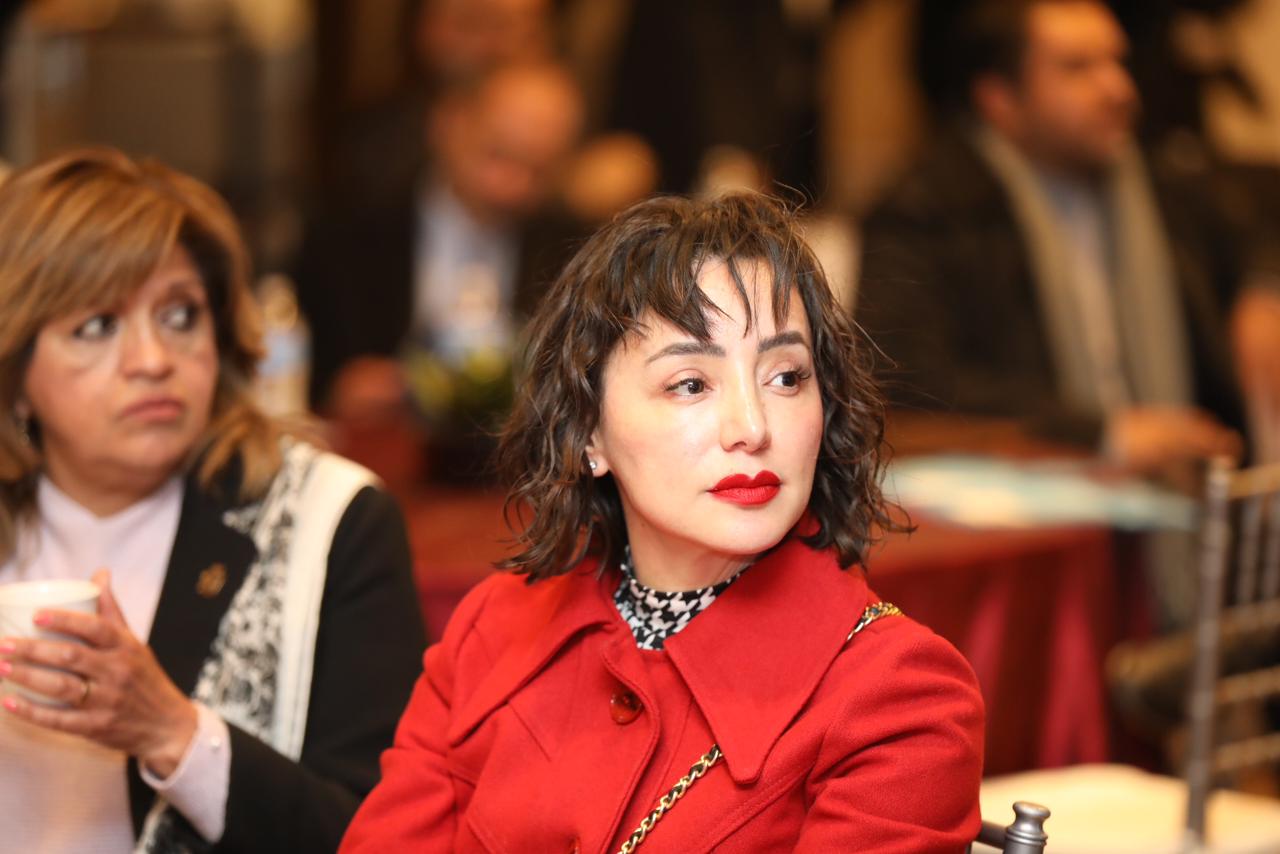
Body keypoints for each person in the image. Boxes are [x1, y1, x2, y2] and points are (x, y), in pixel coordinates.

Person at [340, 193, 984, 852]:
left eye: (787, 377)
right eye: (690, 384)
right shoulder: (494, 629)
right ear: (588, 434)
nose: (752, 427)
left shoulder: (897, 699)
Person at [0, 147, 425, 852]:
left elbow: (384, 834)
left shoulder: (330, 521)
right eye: (98, 325)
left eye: (180, 315)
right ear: (15, 373)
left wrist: (171, 731)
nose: (152, 360)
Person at [858, 0, 1280, 473]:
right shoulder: (926, 212)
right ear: (1000, 99)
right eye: (1078, 68)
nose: (1119, 89)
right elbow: (907, 380)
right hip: (1029, 494)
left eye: (1118, 62)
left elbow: (1254, 228)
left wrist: (1264, 287)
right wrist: (1100, 434)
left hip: (1193, 485)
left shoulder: (1165, 186)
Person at [295, 59, 586, 483]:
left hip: (515, 481)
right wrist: (335, 388)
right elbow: (289, 373)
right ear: (448, 124)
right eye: (497, 155)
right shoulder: (347, 235)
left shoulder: (575, 248)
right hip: (371, 472)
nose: (511, 185)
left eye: (538, 170)